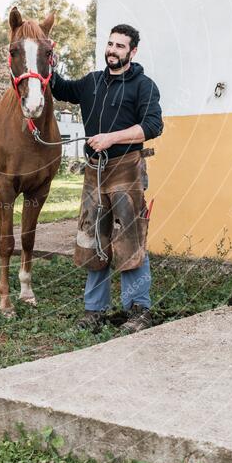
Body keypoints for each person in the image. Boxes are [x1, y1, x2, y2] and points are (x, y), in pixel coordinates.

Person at [50, 24, 163, 333]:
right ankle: (94, 310)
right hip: (94, 171)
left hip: (127, 168)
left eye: (120, 46)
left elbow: (152, 126)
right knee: (92, 239)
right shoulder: (92, 83)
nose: (113, 50)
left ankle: (138, 309)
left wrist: (111, 138)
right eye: (110, 44)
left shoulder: (144, 86)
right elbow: (60, 88)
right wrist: (49, 60)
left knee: (130, 238)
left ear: (133, 52)